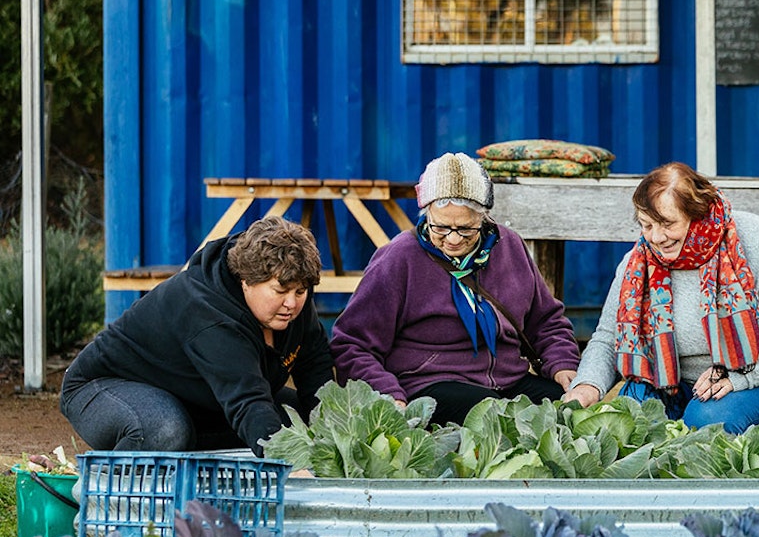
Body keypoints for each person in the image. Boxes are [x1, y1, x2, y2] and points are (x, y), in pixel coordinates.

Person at [563, 162, 759, 433]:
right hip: (676, 385)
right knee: (626, 422)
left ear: (697, 213)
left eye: (667, 224)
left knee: (706, 422)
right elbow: (609, 337)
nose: (655, 237)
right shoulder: (637, 264)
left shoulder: (753, 239)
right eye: (647, 225)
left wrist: (739, 377)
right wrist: (587, 385)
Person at [330, 152, 580, 425]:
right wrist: (388, 394)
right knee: (493, 417)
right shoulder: (398, 258)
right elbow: (351, 344)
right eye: (441, 227)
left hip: (508, 380)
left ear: (483, 219)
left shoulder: (509, 246)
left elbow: (546, 321)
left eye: (465, 229)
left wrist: (562, 363)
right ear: (426, 213)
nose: (452, 239)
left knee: (570, 411)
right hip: (429, 385)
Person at [60, 217, 335, 456]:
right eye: (281, 291)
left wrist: (334, 444)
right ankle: (103, 489)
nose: (292, 303)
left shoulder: (293, 299)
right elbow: (247, 400)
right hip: (104, 388)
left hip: (195, 398)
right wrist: (289, 463)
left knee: (297, 424)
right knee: (166, 431)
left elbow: (316, 369)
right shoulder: (208, 313)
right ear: (247, 280)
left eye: (301, 292)